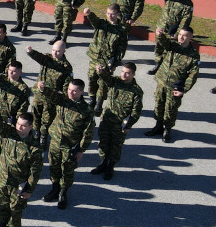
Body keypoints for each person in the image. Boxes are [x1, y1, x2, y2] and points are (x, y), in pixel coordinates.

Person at [37, 79, 94, 209]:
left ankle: (63, 193)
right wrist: (43, 88)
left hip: (70, 146)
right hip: (55, 142)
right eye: (69, 89)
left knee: (67, 171)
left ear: (81, 91)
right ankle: (55, 189)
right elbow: (53, 96)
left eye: (74, 91)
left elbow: (88, 133)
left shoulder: (86, 110)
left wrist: (81, 150)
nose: (71, 93)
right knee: (54, 167)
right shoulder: (63, 100)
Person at [146, 26, 200, 143]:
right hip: (162, 82)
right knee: (159, 104)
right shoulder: (173, 46)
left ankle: (167, 130)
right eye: (180, 34)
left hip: (175, 86)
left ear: (191, 38)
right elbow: (164, 42)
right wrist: (160, 35)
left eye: (185, 35)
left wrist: (184, 89)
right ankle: (158, 126)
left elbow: (193, 75)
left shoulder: (193, 55)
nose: (181, 37)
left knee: (171, 108)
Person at [92, 62, 142, 180]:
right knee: (103, 142)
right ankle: (103, 163)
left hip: (119, 124)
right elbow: (106, 78)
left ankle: (110, 166)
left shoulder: (136, 91)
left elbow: (136, 111)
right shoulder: (115, 81)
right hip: (107, 119)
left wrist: (128, 126)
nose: (124, 75)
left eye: (127, 73)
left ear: (133, 74)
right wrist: (101, 71)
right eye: (122, 72)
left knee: (115, 146)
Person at [83, 4, 130, 115]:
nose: (110, 16)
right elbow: (94, 21)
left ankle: (99, 104)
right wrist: (89, 14)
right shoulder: (102, 24)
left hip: (107, 61)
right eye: (108, 13)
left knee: (103, 83)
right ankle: (92, 99)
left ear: (118, 14)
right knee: (92, 78)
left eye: (113, 14)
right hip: (95, 57)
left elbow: (121, 49)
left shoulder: (121, 30)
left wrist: (115, 63)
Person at [26, 41, 73, 135]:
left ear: (64, 51)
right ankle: (36, 135)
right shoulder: (48, 58)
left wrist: (64, 99)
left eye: (58, 51)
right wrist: (31, 52)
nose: (54, 53)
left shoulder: (66, 67)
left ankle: (43, 137)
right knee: (35, 116)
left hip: (51, 98)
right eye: (53, 50)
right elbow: (39, 57)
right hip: (39, 94)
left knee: (47, 120)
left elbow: (66, 86)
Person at [148, 0, 194, 74]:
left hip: (172, 31)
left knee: (168, 49)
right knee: (159, 47)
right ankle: (157, 65)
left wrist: (178, 33)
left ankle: (165, 68)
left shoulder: (188, 4)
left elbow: (185, 20)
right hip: (162, 27)